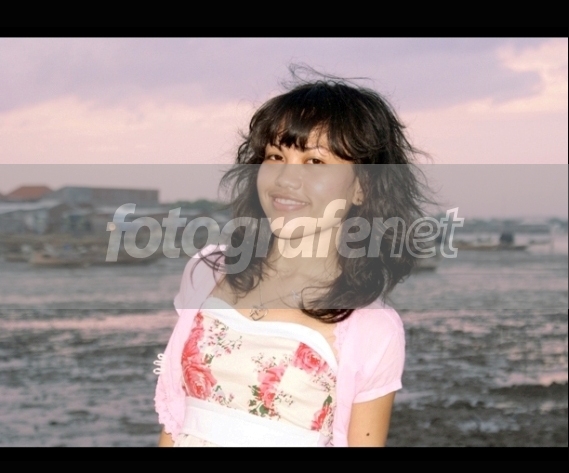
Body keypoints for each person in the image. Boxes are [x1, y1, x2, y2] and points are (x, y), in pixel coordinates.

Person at [155, 72, 429, 447]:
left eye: (315, 161)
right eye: (275, 156)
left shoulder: (371, 327)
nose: (285, 178)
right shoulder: (208, 272)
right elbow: (175, 421)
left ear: (362, 187)